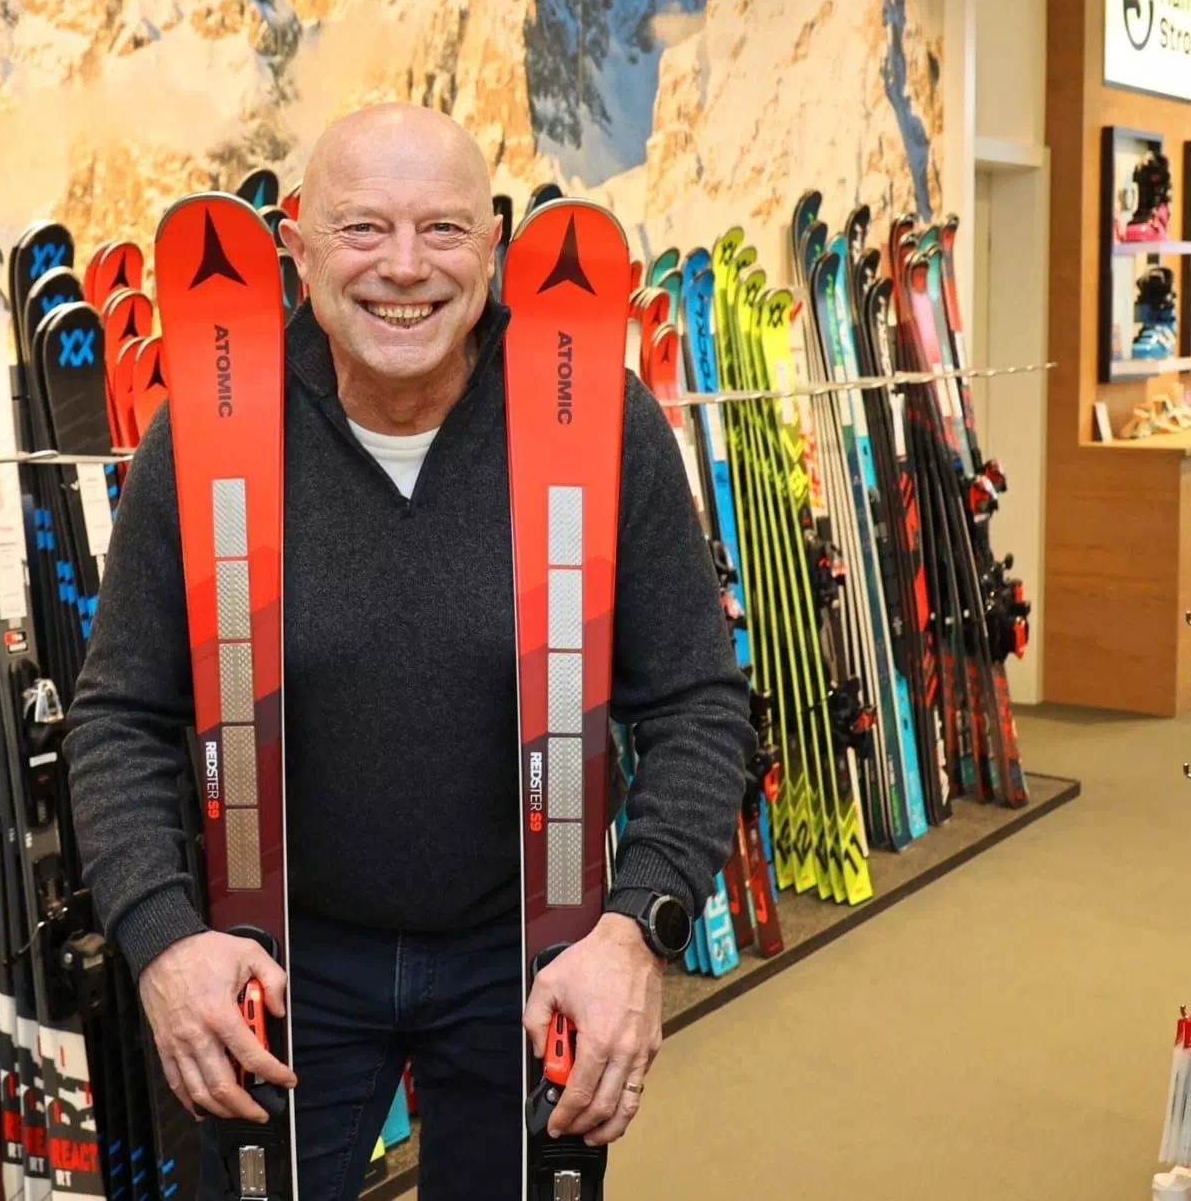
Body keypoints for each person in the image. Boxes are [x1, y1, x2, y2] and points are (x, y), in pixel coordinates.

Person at [65, 101, 753, 1199]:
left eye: (442, 229)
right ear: (296, 248)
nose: (403, 267)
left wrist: (635, 930)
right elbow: (121, 717)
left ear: (492, 244)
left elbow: (698, 704)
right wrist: (162, 939)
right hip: (282, 954)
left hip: (527, 949)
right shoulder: (210, 428)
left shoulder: (595, 419)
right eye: (362, 228)